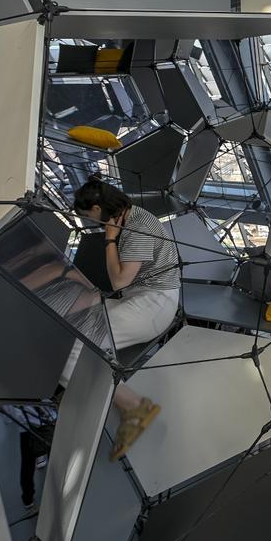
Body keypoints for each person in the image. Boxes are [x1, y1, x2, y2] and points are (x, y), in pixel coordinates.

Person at [70, 175, 181, 461]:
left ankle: (133, 406)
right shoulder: (133, 215)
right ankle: (114, 390)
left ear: (97, 208)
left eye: (88, 217)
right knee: (79, 333)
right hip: (146, 298)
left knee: (72, 351)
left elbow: (119, 281)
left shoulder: (137, 228)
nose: (89, 223)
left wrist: (108, 239)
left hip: (152, 307)